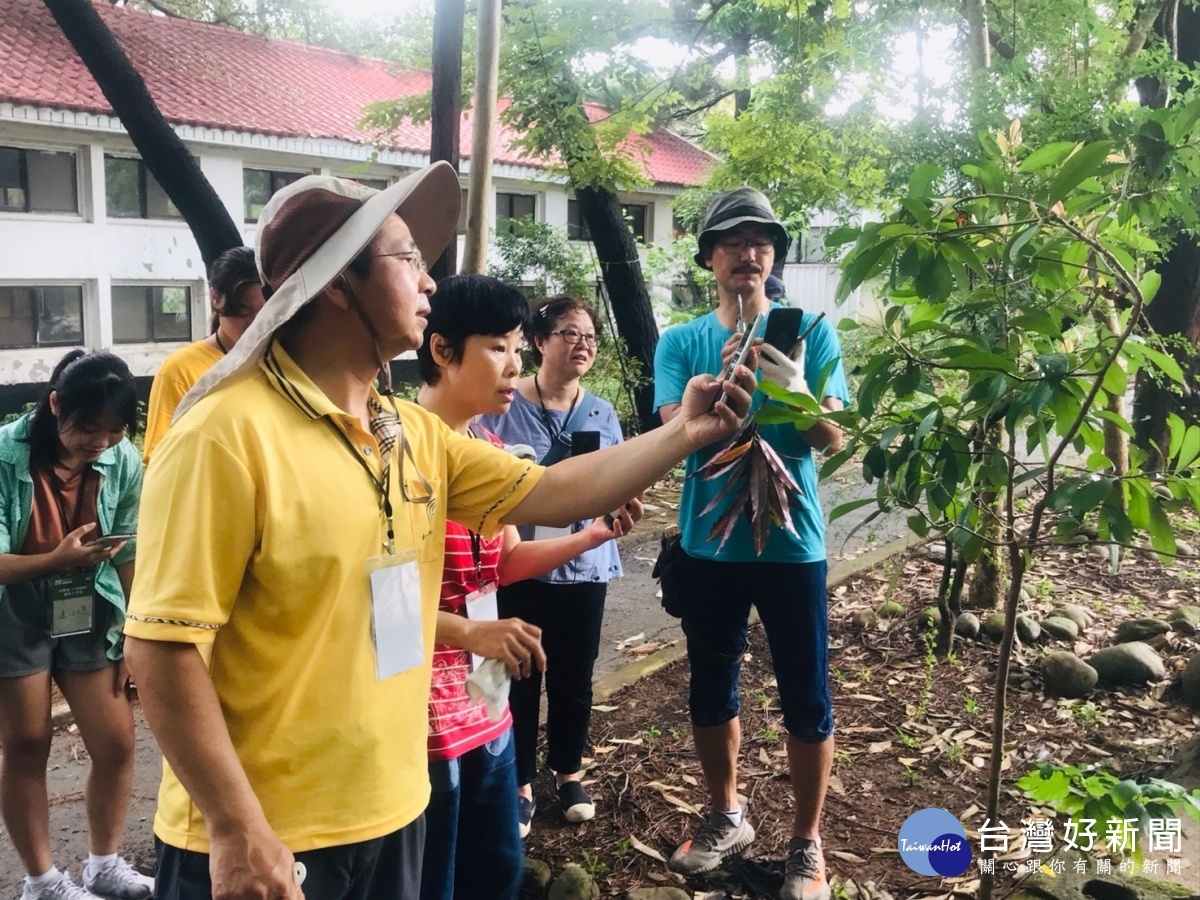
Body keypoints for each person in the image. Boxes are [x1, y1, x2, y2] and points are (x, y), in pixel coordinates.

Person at [122, 165, 756, 900]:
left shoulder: (410, 431)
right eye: (407, 260)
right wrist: (235, 827)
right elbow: (163, 645)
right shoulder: (226, 434)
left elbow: (553, 491)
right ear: (335, 282)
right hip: (271, 835)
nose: (429, 283)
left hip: (393, 808)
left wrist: (687, 429)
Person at [414, 274, 641, 900]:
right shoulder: (400, 448)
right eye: (501, 348)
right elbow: (366, 599)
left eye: (518, 347)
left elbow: (507, 561)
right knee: (436, 875)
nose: (515, 365)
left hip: (481, 704)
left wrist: (590, 538)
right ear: (441, 350)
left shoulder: (485, 445)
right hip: (418, 715)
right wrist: (467, 630)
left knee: (493, 874)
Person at [653, 186, 849, 900]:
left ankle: (806, 843)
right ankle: (726, 814)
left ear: (774, 257)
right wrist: (707, 404)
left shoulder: (811, 332)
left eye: (762, 240)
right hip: (711, 548)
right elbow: (675, 437)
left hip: (794, 549)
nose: (749, 251)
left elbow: (831, 439)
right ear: (710, 258)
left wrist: (793, 387)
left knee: (807, 697)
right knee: (711, 689)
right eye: (733, 241)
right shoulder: (681, 342)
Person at [0, 350, 149, 900]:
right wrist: (56, 561)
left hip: (92, 604)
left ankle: (103, 865)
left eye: (113, 431)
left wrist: (136, 629)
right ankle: (41, 880)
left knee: (116, 743)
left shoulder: (123, 458)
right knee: (26, 744)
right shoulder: (4, 455)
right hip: (14, 610)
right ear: (55, 403)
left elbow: (128, 545)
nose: (101, 443)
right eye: (88, 429)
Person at [477, 295, 626, 838]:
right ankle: (517, 782)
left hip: (585, 561)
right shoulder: (504, 402)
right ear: (539, 342)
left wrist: (620, 503)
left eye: (589, 335)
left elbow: (620, 477)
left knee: (573, 676)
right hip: (521, 564)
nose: (582, 343)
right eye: (569, 333)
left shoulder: (603, 411)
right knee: (518, 674)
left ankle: (568, 772)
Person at [141, 245, 265, 462]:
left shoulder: (284, 357)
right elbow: (161, 457)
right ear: (215, 298)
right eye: (242, 312)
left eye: (264, 313)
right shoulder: (181, 369)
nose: (254, 325)